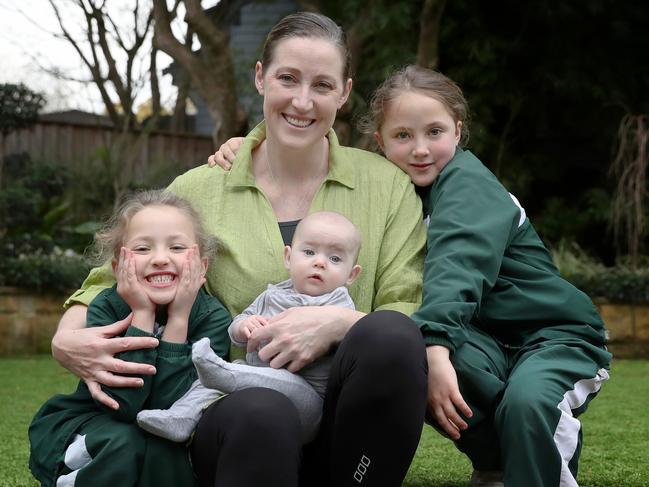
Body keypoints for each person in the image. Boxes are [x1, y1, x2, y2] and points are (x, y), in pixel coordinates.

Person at [50, 12, 428, 487]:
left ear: (345, 92)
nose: (303, 101)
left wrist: (338, 322)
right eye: (287, 78)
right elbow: (115, 274)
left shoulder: (386, 186)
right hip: (240, 425)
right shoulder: (202, 188)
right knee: (261, 408)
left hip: (346, 429)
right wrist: (66, 338)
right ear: (259, 78)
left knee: (390, 335)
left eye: (323, 85)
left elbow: (408, 305)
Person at [211, 65, 612, 487]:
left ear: (458, 131)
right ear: (381, 143)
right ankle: (497, 460)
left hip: (553, 336)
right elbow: (322, 156)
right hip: (489, 340)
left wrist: (435, 349)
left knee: (527, 402)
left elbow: (457, 269)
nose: (420, 149)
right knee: (401, 350)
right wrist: (251, 146)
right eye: (403, 136)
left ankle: (535, 470)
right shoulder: (402, 192)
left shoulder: (468, 187)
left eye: (434, 132)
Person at [29, 190, 232, 487]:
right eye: (142, 249)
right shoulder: (106, 306)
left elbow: (169, 413)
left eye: (176, 247)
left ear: (202, 265)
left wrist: (178, 320)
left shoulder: (213, 318)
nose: (160, 259)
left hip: (165, 433)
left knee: (165, 449)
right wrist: (142, 314)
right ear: (117, 267)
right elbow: (123, 406)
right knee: (125, 441)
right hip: (100, 420)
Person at [137, 211, 362, 445]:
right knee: (206, 384)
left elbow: (353, 350)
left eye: (335, 259)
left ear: (352, 274)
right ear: (288, 257)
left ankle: (221, 372)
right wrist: (244, 326)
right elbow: (237, 333)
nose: (319, 262)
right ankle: (179, 418)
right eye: (308, 252)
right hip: (252, 383)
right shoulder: (272, 295)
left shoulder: (339, 306)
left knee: (227, 373)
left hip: (307, 399)